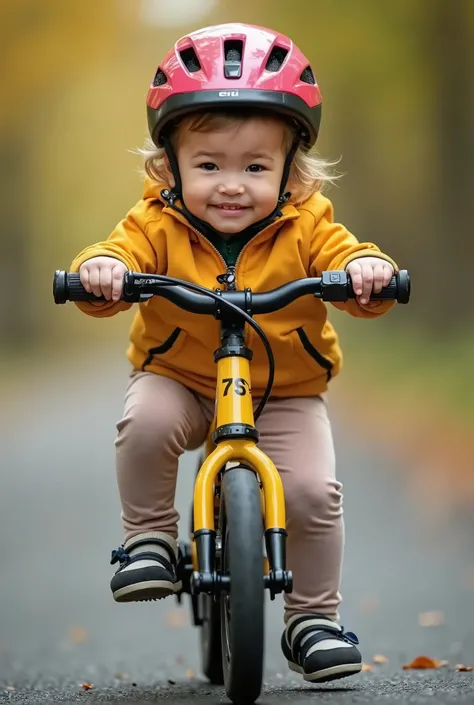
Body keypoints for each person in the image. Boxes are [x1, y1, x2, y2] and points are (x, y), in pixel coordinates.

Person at [69, 23, 399, 683]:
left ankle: (313, 618)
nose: (231, 185)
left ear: (289, 170)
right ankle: (151, 540)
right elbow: (114, 257)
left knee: (311, 491)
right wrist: (101, 270)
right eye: (209, 165)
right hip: (181, 375)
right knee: (146, 424)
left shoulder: (308, 223)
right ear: (170, 165)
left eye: (255, 167)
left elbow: (349, 256)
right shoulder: (154, 223)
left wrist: (369, 272)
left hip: (286, 388)